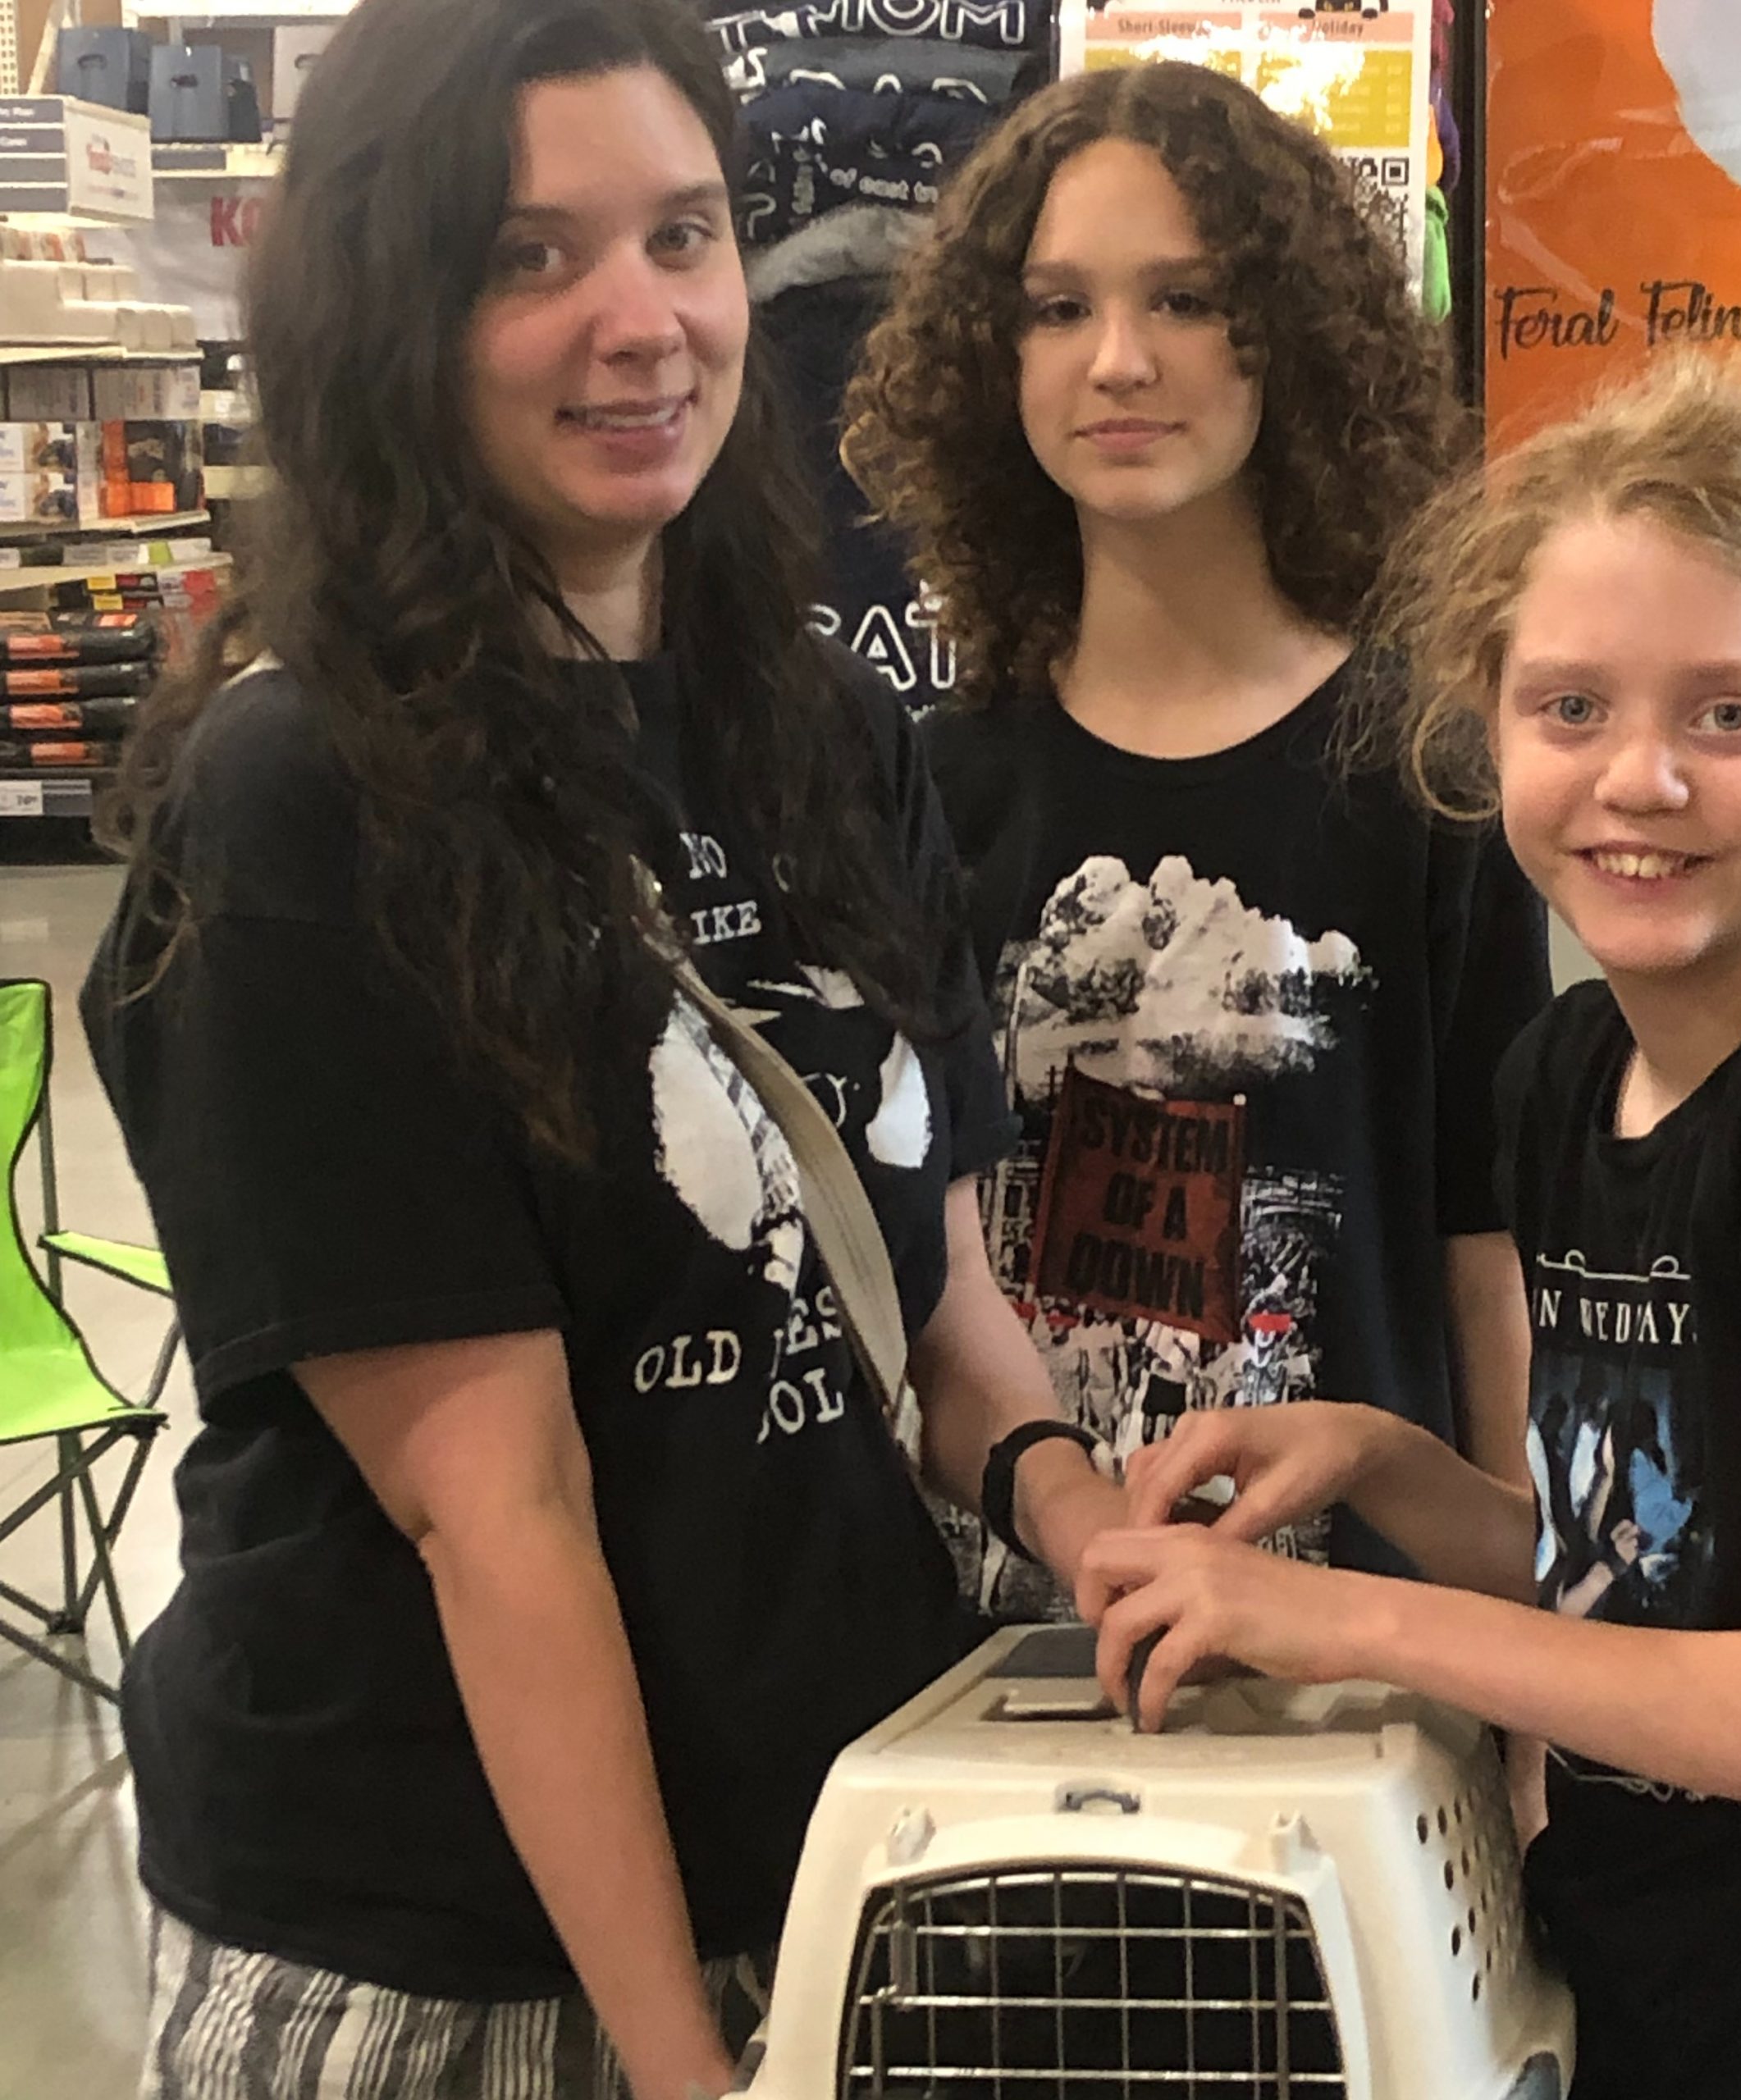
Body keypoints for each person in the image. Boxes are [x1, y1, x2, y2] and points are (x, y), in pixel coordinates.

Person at [85, 2, 1123, 2095]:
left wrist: (1089, 1526)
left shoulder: (822, 729)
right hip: (448, 1941)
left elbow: (933, 1293)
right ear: (389, 316)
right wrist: (676, 2054)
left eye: (682, 233)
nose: (640, 322)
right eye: (527, 257)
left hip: (837, 1847)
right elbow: (502, 1511)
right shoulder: (312, 795)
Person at [1076, 353, 1741, 2096]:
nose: (1640, 776)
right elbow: (1642, 1580)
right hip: (1656, 1998)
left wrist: (1356, 1621)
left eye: (1727, 715)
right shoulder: (1566, 1072)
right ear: (1488, 726)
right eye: (1569, 707)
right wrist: (1390, 1465)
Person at [843, 62, 1551, 1622]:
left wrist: (1522, 1662)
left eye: (1184, 297)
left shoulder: (1433, 774)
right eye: (1056, 308)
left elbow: (1484, 1253)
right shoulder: (930, 789)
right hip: (1009, 1654)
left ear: (1287, 330)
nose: (1118, 360)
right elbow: (921, 1274)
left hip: (1368, 1642)